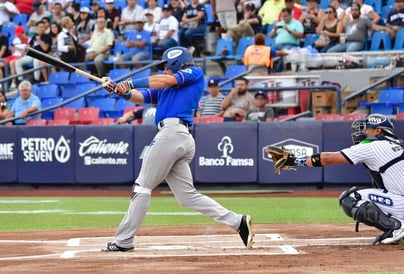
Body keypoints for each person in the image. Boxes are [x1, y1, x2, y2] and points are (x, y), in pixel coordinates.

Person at [101, 46, 253, 252]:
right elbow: (140, 96)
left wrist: (127, 82)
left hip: (173, 133)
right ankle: (238, 222)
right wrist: (119, 91)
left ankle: (123, 240)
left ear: (175, 62)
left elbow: (164, 80)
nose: (163, 69)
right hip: (177, 137)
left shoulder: (193, 73)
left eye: (165, 65)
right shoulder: (165, 87)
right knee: (187, 196)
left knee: (142, 186)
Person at [275, 113, 404, 245]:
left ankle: (396, 227)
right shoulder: (399, 143)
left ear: (377, 130)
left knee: (350, 198)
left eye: (367, 129)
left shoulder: (372, 146)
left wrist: (293, 160)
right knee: (377, 186)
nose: (363, 132)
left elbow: (327, 159)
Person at [327, 3, 393, 52]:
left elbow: (374, 27)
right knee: (330, 51)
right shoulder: (348, 23)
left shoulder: (364, 20)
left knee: (350, 50)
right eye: (352, 10)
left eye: (356, 10)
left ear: (359, 12)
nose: (354, 12)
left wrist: (385, 28)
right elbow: (343, 35)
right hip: (347, 43)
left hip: (358, 43)